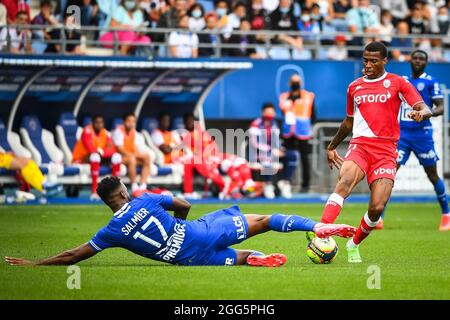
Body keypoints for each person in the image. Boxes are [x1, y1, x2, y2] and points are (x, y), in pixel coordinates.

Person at [5, 176, 357, 267]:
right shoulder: (144, 199)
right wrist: (180, 222)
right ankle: (318, 227)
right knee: (264, 219)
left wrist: (36, 263)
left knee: (244, 256)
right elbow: (185, 203)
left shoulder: (109, 231)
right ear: (124, 191)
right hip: (198, 231)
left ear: (104, 202)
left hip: (187, 259)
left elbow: (74, 255)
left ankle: (253, 259)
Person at [315, 41, 432, 263]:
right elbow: (348, 123)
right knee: (345, 181)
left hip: (386, 151)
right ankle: (321, 232)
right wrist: (331, 146)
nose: (368, 65)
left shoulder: (398, 83)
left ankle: (354, 243)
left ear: (384, 61)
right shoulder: (354, 87)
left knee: (377, 206)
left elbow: (423, 107)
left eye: (373, 61)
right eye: (365, 60)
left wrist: (422, 114)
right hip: (360, 146)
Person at [379, 50, 449, 231]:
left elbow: (440, 107)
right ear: (410, 61)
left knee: (432, 175)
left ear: (426, 63)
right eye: (415, 58)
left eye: (421, 59)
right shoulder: (403, 81)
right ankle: (378, 218)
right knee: (389, 173)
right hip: (401, 136)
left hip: (422, 136)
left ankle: (446, 215)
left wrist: (425, 114)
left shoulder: (430, 82)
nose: (418, 61)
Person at [278, 74, 315, 195]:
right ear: (289, 83)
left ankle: (305, 185)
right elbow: (283, 114)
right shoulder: (284, 97)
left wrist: (311, 128)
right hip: (288, 132)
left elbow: (313, 114)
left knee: (304, 159)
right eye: (294, 81)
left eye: (297, 82)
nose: (295, 84)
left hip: (303, 132)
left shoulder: (308, 96)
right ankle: (285, 183)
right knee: (286, 157)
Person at [72, 115, 122, 200]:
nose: (99, 125)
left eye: (101, 122)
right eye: (97, 122)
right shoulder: (87, 131)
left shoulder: (105, 132)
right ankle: (94, 191)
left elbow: (112, 149)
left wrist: (102, 152)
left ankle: (115, 191)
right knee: (95, 156)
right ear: (92, 123)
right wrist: (103, 152)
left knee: (116, 156)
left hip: (99, 158)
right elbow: (90, 149)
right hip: (82, 159)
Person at [249, 103, 284, 199]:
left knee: (293, 156)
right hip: (257, 154)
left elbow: (277, 142)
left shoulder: (275, 125)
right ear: (263, 112)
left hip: (271, 154)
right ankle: (268, 185)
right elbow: (253, 143)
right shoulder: (256, 124)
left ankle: (284, 183)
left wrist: (280, 149)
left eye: (271, 112)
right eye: (268, 112)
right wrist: (270, 150)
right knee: (267, 161)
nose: (270, 114)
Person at [113, 113, 151, 197]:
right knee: (132, 158)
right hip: (119, 157)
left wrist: (139, 155)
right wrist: (134, 155)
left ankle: (142, 186)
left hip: (130, 156)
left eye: (133, 121)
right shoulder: (118, 131)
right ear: (124, 121)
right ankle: (134, 187)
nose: (131, 123)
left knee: (147, 157)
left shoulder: (134, 133)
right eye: (129, 121)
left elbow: (135, 149)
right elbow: (120, 149)